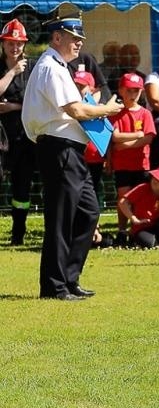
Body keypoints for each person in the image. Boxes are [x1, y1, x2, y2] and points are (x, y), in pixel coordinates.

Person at [21, 17, 125, 300]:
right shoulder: (51, 68)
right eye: (72, 36)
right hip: (59, 148)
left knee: (89, 212)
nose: (79, 42)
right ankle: (54, 286)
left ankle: (68, 278)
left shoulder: (57, 67)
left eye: (80, 37)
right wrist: (106, 109)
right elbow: (76, 111)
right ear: (56, 38)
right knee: (61, 218)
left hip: (68, 150)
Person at [106, 72, 156, 245]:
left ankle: (139, 229)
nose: (133, 95)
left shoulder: (145, 114)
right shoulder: (116, 113)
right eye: (129, 90)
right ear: (121, 91)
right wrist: (137, 134)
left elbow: (148, 138)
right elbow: (115, 137)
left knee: (140, 198)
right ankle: (122, 229)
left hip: (141, 164)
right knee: (123, 198)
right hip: (122, 164)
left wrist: (126, 144)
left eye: (136, 91)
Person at [1, 18, 36, 245]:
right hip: (2, 137)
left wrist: (12, 106)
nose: (15, 48)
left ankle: (18, 233)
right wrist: (12, 71)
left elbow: (37, 101)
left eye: (19, 43)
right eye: (10, 43)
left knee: (22, 187)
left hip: (26, 137)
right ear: (3, 44)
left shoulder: (34, 67)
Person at [119, 164, 159, 249]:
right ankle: (151, 241)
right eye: (155, 177)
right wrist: (134, 219)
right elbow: (122, 202)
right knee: (148, 243)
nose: (155, 180)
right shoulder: (143, 188)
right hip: (142, 227)